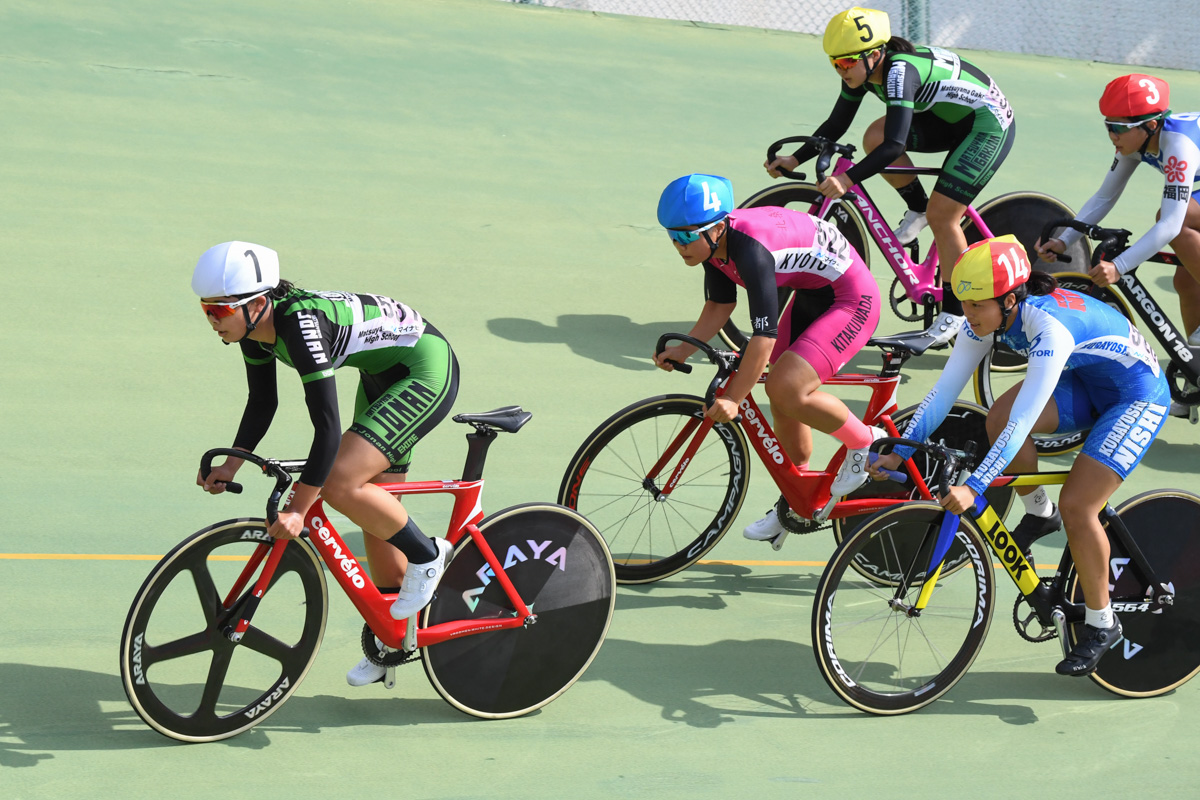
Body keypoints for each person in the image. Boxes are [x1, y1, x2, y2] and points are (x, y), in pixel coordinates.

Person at [869, 235, 1170, 676]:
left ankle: (1102, 623)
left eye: (976, 307)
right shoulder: (985, 318)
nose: (967, 317)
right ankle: (1038, 511)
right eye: (963, 304)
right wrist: (898, 451)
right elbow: (943, 391)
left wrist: (975, 487)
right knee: (996, 416)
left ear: (1010, 299)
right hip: (1087, 381)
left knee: (1080, 505)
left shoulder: (1050, 328)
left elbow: (1023, 422)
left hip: (1136, 396)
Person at [192, 241, 460, 687]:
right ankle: (395, 636)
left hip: (424, 369)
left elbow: (328, 427)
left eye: (219, 312)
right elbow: (262, 402)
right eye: (206, 311)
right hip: (381, 376)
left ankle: (429, 556)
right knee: (375, 516)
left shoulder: (298, 324)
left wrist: (298, 508)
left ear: (258, 303)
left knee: (339, 483)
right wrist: (231, 465)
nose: (211, 322)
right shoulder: (255, 328)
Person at [765, 6, 1016, 347]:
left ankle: (955, 312)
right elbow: (837, 124)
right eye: (835, 63)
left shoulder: (899, 72)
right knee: (873, 136)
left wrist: (848, 179)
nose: (842, 70)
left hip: (986, 126)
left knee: (944, 216)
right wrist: (795, 158)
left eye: (847, 62)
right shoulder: (864, 71)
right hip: (948, 119)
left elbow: (895, 144)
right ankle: (917, 209)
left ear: (875, 54)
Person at [652, 174, 883, 542]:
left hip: (851, 298)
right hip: (813, 292)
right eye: (672, 236)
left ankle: (863, 439)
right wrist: (683, 349)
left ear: (714, 229)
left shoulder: (750, 251)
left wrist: (733, 398)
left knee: (787, 386)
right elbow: (719, 304)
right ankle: (798, 497)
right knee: (782, 401)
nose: (678, 246)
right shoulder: (716, 246)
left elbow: (763, 335)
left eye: (684, 236)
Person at [1035, 72, 1200, 420]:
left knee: (1178, 224)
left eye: (1119, 129)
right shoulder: (1137, 141)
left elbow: (1169, 224)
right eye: (1108, 126)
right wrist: (1063, 238)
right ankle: (1194, 369)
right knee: (1185, 281)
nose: (1112, 136)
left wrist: (1120, 265)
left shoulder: (1179, 147)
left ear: (1152, 125)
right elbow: (1105, 195)